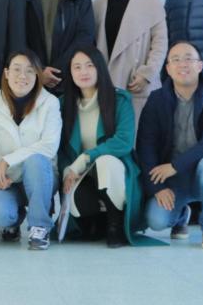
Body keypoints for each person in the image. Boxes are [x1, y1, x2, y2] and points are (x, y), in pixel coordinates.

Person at [137, 41, 203, 250]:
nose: (182, 64)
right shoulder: (157, 100)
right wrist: (157, 187)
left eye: (188, 58)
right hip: (173, 179)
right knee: (156, 221)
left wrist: (175, 166)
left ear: (200, 65)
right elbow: (146, 145)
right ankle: (181, 216)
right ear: (168, 68)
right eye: (176, 60)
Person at [58, 46, 151, 247]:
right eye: (77, 67)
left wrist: (85, 158)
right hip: (81, 174)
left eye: (89, 65)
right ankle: (97, 222)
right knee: (81, 212)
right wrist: (67, 170)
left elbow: (124, 141)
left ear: (100, 68)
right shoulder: (63, 104)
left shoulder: (120, 99)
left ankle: (115, 224)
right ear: (70, 72)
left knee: (105, 161)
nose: (83, 72)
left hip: (114, 170)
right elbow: (60, 148)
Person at [0, 50, 61, 250]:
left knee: (36, 160)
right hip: (7, 178)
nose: (22, 76)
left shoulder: (50, 102)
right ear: (6, 73)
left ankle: (39, 227)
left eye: (30, 71)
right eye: (16, 69)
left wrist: (7, 159)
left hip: (41, 178)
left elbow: (49, 145)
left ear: (38, 75)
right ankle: (13, 221)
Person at [93, 0, 168, 120]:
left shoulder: (150, 0)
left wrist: (147, 74)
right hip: (108, 85)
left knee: (142, 133)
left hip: (137, 83)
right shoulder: (98, 4)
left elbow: (160, 42)